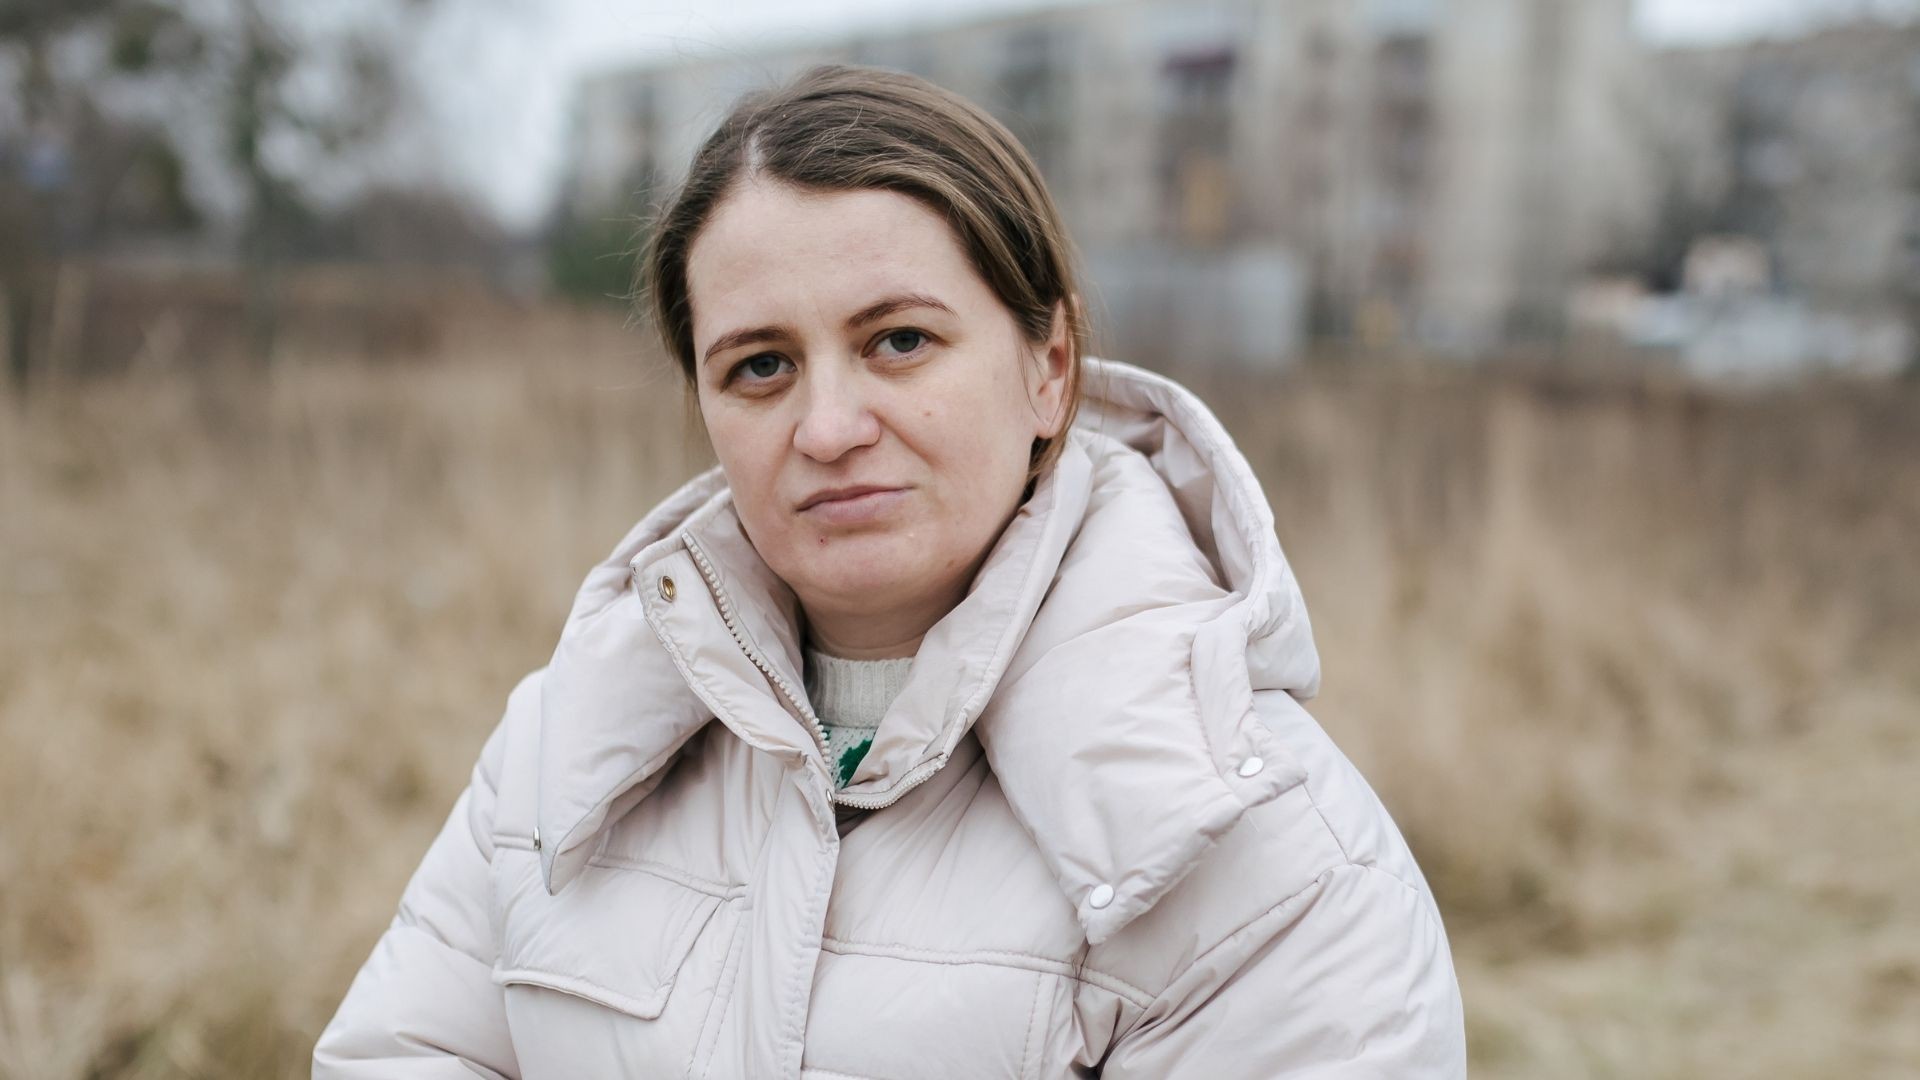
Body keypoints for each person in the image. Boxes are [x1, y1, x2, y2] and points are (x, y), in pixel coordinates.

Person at [313, 63, 1466, 1078]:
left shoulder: (1258, 855)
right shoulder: (562, 758)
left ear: (1049, 366)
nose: (826, 428)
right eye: (760, 366)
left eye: (898, 342)